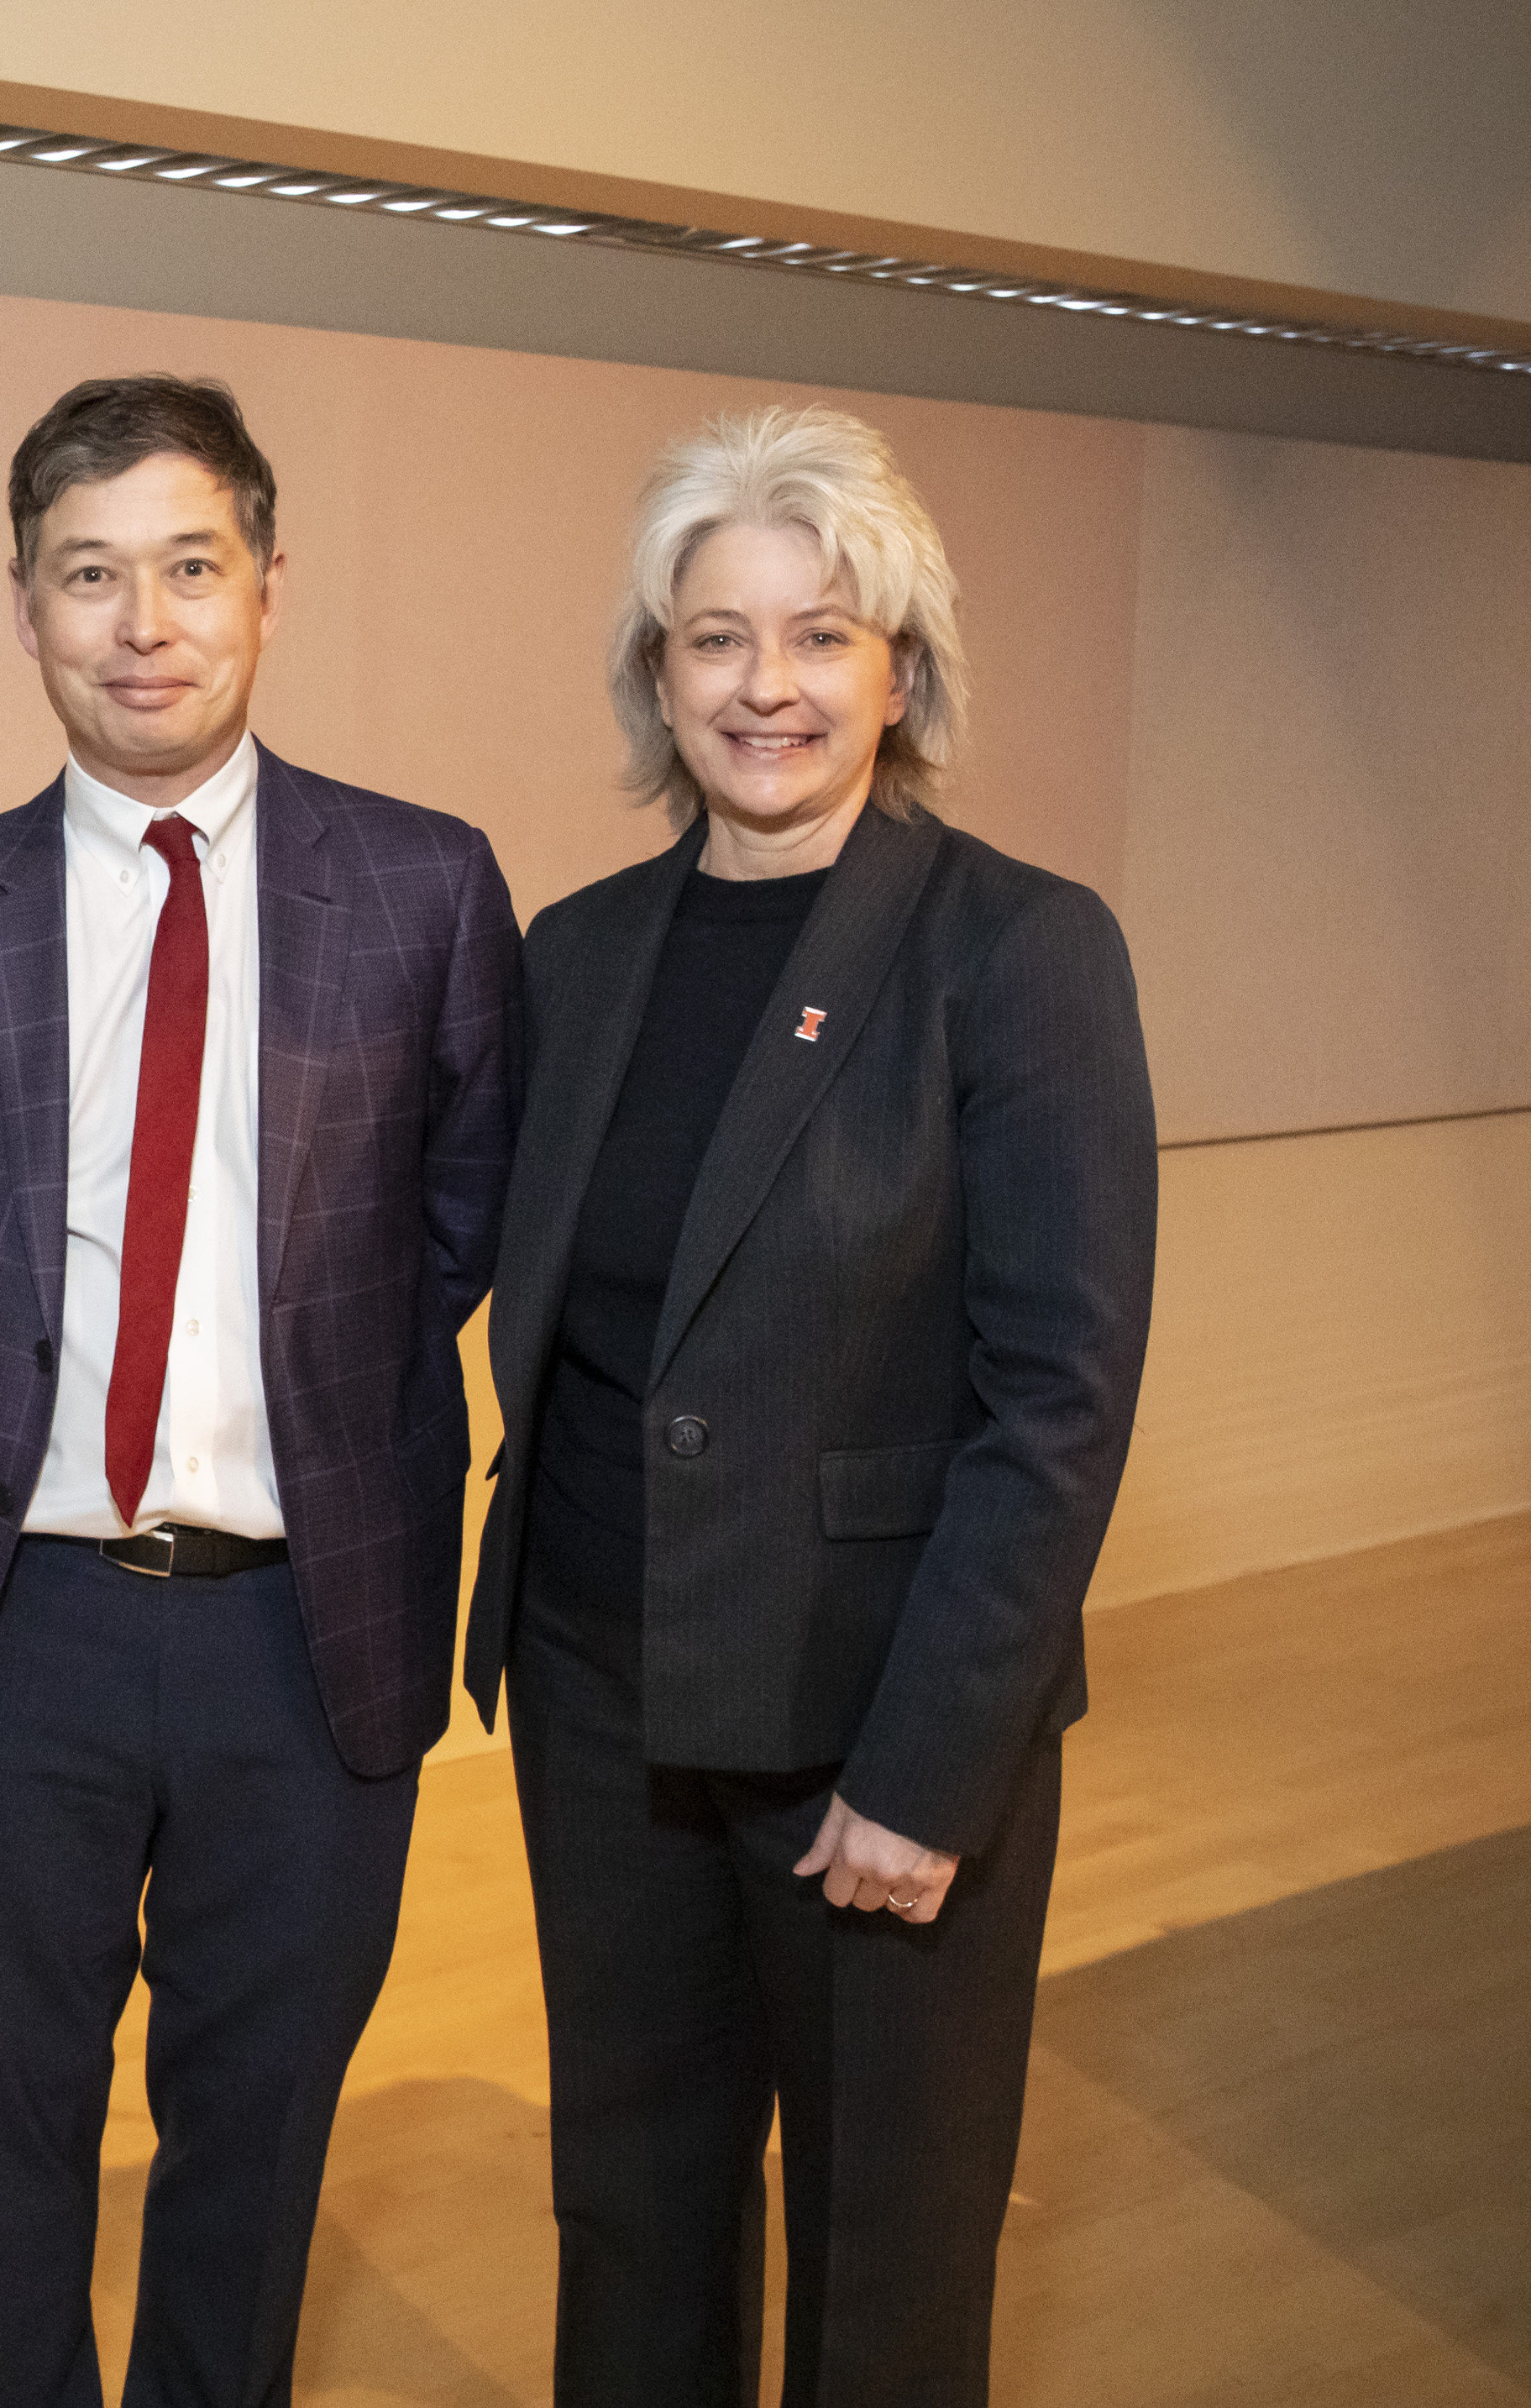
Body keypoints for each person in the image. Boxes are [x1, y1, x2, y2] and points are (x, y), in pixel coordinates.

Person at [0, 375, 520, 2406]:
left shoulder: (423, 892)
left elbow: (446, 1231)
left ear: (268, 590)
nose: (143, 624)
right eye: (87, 576)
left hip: (307, 1629)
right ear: (22, 609)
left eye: (187, 568)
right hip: (13, 1622)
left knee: (255, 2148)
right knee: (9, 2147)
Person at [461, 403, 1156, 2405]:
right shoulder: (574, 956)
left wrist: (929, 1769)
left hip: (874, 1728)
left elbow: (1055, 1402)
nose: (764, 684)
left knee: (883, 2268)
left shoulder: (1011, 952)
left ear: (900, 671)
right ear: (652, 673)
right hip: (600, 1706)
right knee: (629, 2216)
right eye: (713, 637)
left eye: (820, 633)